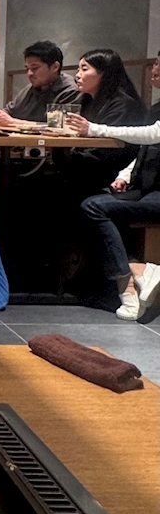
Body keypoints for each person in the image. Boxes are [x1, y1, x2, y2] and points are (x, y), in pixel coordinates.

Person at [73, 52, 160, 320]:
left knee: (92, 205)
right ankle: (135, 275)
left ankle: (130, 280)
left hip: (156, 193)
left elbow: (153, 135)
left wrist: (95, 129)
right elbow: (146, 150)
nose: (155, 68)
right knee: (90, 200)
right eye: (156, 62)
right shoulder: (157, 107)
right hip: (147, 189)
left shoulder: (127, 104)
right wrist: (125, 173)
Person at [58, 48, 147, 205]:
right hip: (89, 167)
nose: (77, 75)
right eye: (78, 69)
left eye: (84, 69)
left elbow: (108, 151)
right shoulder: (88, 100)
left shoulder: (123, 104)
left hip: (112, 174)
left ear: (104, 73)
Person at [0, 40, 80, 126]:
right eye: (27, 69)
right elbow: (8, 111)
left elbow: (60, 127)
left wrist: (13, 122)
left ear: (55, 67)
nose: (29, 73)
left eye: (35, 68)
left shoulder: (70, 91)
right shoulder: (29, 89)